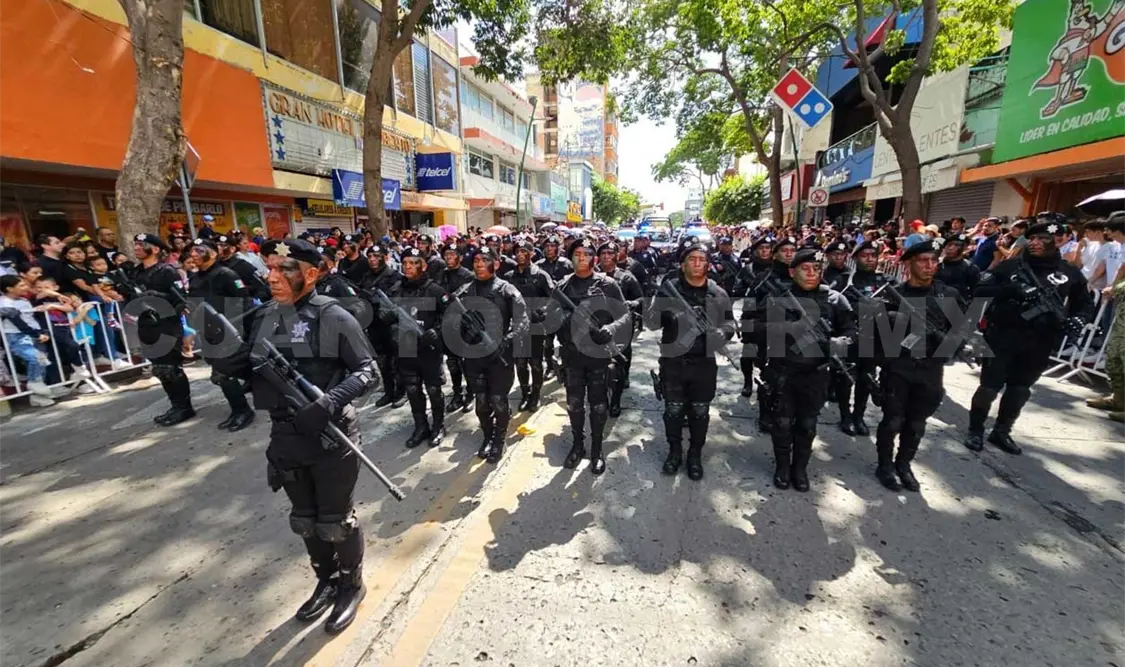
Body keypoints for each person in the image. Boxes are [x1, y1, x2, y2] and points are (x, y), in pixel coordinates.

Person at [210, 238, 379, 634]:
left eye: (284, 270)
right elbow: (245, 363)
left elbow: (369, 371)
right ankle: (326, 579)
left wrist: (328, 403)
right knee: (304, 520)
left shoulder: (334, 316)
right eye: (269, 269)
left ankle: (351, 585)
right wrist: (222, 359)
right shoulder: (262, 315)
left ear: (311, 274)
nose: (273, 277)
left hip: (330, 434)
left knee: (335, 522)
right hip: (285, 436)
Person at [965, 218, 1093, 454]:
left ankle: (1002, 431)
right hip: (1002, 336)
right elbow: (981, 290)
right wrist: (1009, 290)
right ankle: (975, 429)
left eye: (1042, 239)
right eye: (1032, 238)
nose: (1034, 243)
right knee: (989, 387)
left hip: (1040, 341)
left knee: (1020, 389)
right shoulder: (1012, 267)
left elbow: (1084, 304)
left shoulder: (1068, 272)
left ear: (1057, 241)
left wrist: (1079, 320)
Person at [755, 247, 855, 491]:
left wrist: (837, 344)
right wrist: (788, 328)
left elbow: (852, 333)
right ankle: (782, 466)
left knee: (808, 425)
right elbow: (753, 330)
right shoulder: (777, 299)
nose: (812, 273)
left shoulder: (835, 299)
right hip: (783, 373)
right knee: (782, 423)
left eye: (817, 269)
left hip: (816, 374)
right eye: (805, 269)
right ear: (792, 271)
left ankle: (799, 468)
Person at [872, 237, 961, 492]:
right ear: (908, 263)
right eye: (923, 261)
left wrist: (942, 344)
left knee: (916, 423)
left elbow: (960, 333)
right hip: (899, 367)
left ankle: (904, 465)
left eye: (934, 261)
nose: (929, 266)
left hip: (931, 368)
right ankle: (885, 466)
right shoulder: (894, 296)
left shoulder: (948, 295)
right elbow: (874, 338)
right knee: (892, 421)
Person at [645, 237, 735, 479]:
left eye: (701, 260)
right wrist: (663, 309)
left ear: (708, 265)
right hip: (673, 361)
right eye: (691, 259)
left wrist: (722, 333)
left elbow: (730, 322)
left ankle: (694, 455)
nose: (696, 264)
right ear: (683, 264)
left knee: (700, 412)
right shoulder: (669, 288)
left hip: (703, 363)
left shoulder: (718, 293)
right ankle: (674, 452)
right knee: (673, 411)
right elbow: (651, 323)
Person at [548, 239, 631, 475]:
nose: (581, 258)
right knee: (574, 405)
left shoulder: (608, 285)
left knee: (598, 406)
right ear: (571, 258)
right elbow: (550, 319)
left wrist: (610, 330)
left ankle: (596, 449)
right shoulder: (562, 287)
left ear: (594, 258)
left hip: (598, 356)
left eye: (586, 254)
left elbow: (625, 315)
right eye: (577, 254)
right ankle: (577, 444)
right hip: (572, 355)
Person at [454, 246, 528, 463]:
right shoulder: (466, 291)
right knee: (481, 402)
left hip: (499, 356)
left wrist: (508, 340)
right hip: (475, 356)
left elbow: (522, 320)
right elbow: (450, 320)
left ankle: (499, 438)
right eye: (476, 260)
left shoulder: (506, 290)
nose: (478, 264)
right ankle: (487, 436)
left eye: (484, 260)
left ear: (496, 264)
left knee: (498, 400)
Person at [186, 238, 256, 432]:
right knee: (220, 376)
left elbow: (245, 303)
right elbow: (192, 305)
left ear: (214, 253)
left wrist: (243, 332)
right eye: (192, 251)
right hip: (208, 333)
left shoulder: (226, 274)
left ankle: (243, 411)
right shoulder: (195, 278)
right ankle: (238, 409)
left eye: (200, 250)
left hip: (229, 332)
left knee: (225, 375)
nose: (193, 255)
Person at [128, 233, 195, 425]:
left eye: (142, 244)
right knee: (160, 369)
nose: (137, 248)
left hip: (166, 325)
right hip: (146, 324)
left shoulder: (167, 271)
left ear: (155, 249)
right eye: (136, 244)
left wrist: (157, 296)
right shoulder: (136, 272)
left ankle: (184, 408)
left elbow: (180, 300)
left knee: (171, 368)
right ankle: (175, 405)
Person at [392, 247, 450, 448]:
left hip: (429, 349)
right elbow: (391, 313)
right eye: (405, 263)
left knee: (433, 390)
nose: (408, 267)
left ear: (423, 265)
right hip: (406, 348)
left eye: (413, 263)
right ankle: (421, 426)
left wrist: (438, 331)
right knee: (412, 389)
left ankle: (438, 425)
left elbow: (451, 316)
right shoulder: (397, 289)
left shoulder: (435, 290)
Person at [831, 240, 891, 436]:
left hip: (874, 338)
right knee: (845, 378)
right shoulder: (844, 280)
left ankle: (859, 415)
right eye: (865, 255)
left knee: (866, 379)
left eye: (873, 255)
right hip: (849, 335)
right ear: (855, 258)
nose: (870, 259)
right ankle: (845, 416)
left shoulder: (885, 281)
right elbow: (830, 305)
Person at [741, 236, 796, 431]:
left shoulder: (803, 274)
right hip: (769, 333)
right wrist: (748, 331)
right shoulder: (763, 277)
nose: (789, 254)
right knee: (769, 376)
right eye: (784, 251)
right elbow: (750, 305)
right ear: (776, 254)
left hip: (797, 337)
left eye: (792, 251)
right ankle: (765, 413)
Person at [505, 238, 555, 413]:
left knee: (535, 363)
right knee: (520, 363)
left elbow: (552, 298)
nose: (520, 255)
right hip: (517, 326)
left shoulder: (541, 275)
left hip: (535, 326)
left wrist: (543, 311)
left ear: (532, 253)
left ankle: (535, 395)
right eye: (517, 251)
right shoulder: (509, 277)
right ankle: (525, 393)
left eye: (524, 251)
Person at [598, 241, 643, 416]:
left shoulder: (626, 277)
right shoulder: (591, 276)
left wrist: (633, 303)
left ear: (617, 256)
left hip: (622, 325)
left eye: (610, 253)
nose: (607, 257)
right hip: (598, 325)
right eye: (603, 253)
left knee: (619, 364)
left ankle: (616, 400)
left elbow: (641, 299)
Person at [0, 275, 56, 406]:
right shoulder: (4, 303)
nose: (26, 287)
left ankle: (38, 396)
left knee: (42, 360)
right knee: (36, 357)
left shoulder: (24, 300)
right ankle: (34, 383)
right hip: (16, 336)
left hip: (34, 333)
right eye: (21, 286)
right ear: (9, 288)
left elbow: (31, 319)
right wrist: (36, 334)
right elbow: (19, 323)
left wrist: (42, 332)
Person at [361, 245, 405, 408]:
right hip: (374, 325)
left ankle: (401, 391)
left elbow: (398, 301)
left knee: (397, 361)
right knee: (382, 361)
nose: (373, 259)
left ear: (386, 257)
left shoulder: (394, 277)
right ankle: (388, 391)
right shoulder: (366, 277)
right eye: (370, 256)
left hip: (392, 326)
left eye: (377, 256)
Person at [438, 243, 474, 413]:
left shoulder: (468, 276)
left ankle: (471, 394)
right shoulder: (441, 274)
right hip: (446, 323)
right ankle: (457, 393)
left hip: (464, 324)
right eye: (446, 254)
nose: (449, 258)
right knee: (452, 363)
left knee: (467, 362)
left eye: (452, 254)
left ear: (460, 257)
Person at [536, 235, 574, 379]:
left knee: (566, 340)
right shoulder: (538, 265)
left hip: (563, 309)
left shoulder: (567, 264)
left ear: (558, 248)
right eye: (547, 247)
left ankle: (566, 366)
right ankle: (550, 367)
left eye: (553, 246)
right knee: (547, 342)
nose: (550, 249)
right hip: (546, 309)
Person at [217, 234, 271, 301]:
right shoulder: (216, 266)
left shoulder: (242, 265)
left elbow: (257, 285)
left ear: (232, 249)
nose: (218, 248)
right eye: (217, 245)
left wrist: (240, 288)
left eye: (222, 246)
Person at [935, 233, 981, 302]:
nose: (950, 248)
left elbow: (975, 292)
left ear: (964, 247)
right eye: (949, 245)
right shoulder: (936, 265)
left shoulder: (970, 268)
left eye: (956, 245)